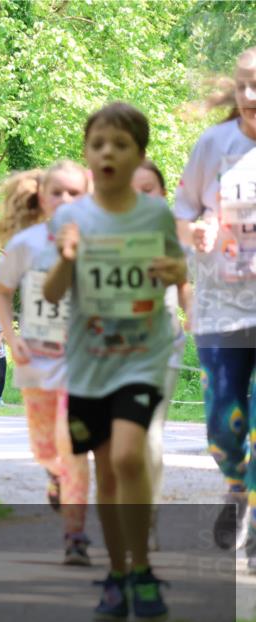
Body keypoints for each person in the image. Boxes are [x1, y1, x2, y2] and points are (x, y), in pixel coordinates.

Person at [44, 103, 187, 622]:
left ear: (139, 155)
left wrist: (175, 271)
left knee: (128, 457)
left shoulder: (155, 215)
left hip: (142, 358)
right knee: (106, 473)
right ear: (87, 154)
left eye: (121, 145)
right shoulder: (70, 219)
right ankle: (119, 573)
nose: (108, 152)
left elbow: (177, 269)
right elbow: (52, 292)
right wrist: (67, 259)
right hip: (90, 365)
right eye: (98, 144)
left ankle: (142, 568)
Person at [173, 47, 256, 572]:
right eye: (243, 84)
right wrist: (196, 232)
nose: (250, 95)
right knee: (224, 426)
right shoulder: (214, 145)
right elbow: (181, 213)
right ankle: (236, 487)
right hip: (221, 309)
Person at [0, 160, 92, 566]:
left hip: (82, 362)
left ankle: (75, 535)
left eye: (75, 193)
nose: (65, 199)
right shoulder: (27, 244)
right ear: (42, 198)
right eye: (57, 192)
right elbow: (2, 293)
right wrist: (11, 337)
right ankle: (54, 474)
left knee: (74, 447)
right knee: (46, 449)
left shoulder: (99, 241)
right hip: (36, 360)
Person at [132, 159, 192, 548]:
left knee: (150, 434)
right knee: (120, 442)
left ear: (163, 194)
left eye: (148, 189)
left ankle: (146, 518)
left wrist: (198, 316)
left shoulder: (172, 235)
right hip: (111, 349)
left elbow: (185, 287)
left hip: (162, 344)